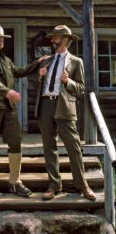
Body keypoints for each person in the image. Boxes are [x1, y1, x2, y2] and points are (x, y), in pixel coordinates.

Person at [0, 23, 47, 202]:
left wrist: (37, 63)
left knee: (15, 142)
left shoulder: (5, 60)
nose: (2, 42)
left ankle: (15, 181)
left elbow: (19, 72)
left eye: (3, 39)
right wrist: (7, 91)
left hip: (8, 109)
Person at [35, 25, 96, 201]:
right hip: (45, 105)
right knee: (49, 147)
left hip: (65, 107)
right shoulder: (46, 61)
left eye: (56, 37)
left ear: (66, 39)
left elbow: (82, 89)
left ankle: (82, 186)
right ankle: (54, 185)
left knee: (74, 147)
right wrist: (40, 76)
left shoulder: (76, 62)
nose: (53, 40)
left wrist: (68, 81)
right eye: (52, 37)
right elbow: (35, 87)